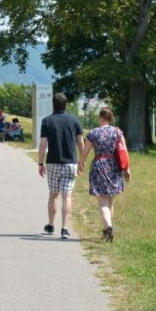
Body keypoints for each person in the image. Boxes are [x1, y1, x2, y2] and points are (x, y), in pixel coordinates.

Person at [78, 107, 131, 242]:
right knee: (110, 202)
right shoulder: (118, 132)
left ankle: (108, 227)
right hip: (114, 167)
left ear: (100, 118)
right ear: (110, 118)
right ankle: (107, 229)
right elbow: (124, 151)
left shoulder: (93, 133)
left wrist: (81, 164)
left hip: (99, 166)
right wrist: (127, 169)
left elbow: (85, 151)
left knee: (102, 202)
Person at [38, 93, 84, 239]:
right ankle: (64, 228)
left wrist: (40, 163)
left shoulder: (47, 121)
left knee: (53, 195)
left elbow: (43, 144)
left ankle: (51, 225)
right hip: (70, 162)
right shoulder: (74, 120)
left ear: (53, 104)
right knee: (67, 195)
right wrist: (82, 161)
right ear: (66, 104)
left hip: (52, 162)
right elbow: (81, 143)